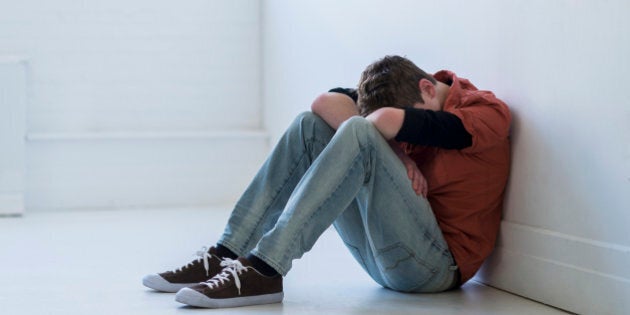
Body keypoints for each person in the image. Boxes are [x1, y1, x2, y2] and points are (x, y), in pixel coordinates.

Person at [142, 55, 511, 309]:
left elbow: (405, 125)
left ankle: (266, 269)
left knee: (358, 131)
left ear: (428, 89)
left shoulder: (486, 113)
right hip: (382, 252)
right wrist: (398, 155)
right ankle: (225, 254)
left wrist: (382, 137)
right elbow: (326, 101)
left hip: (433, 268)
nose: (404, 145)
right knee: (310, 125)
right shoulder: (409, 98)